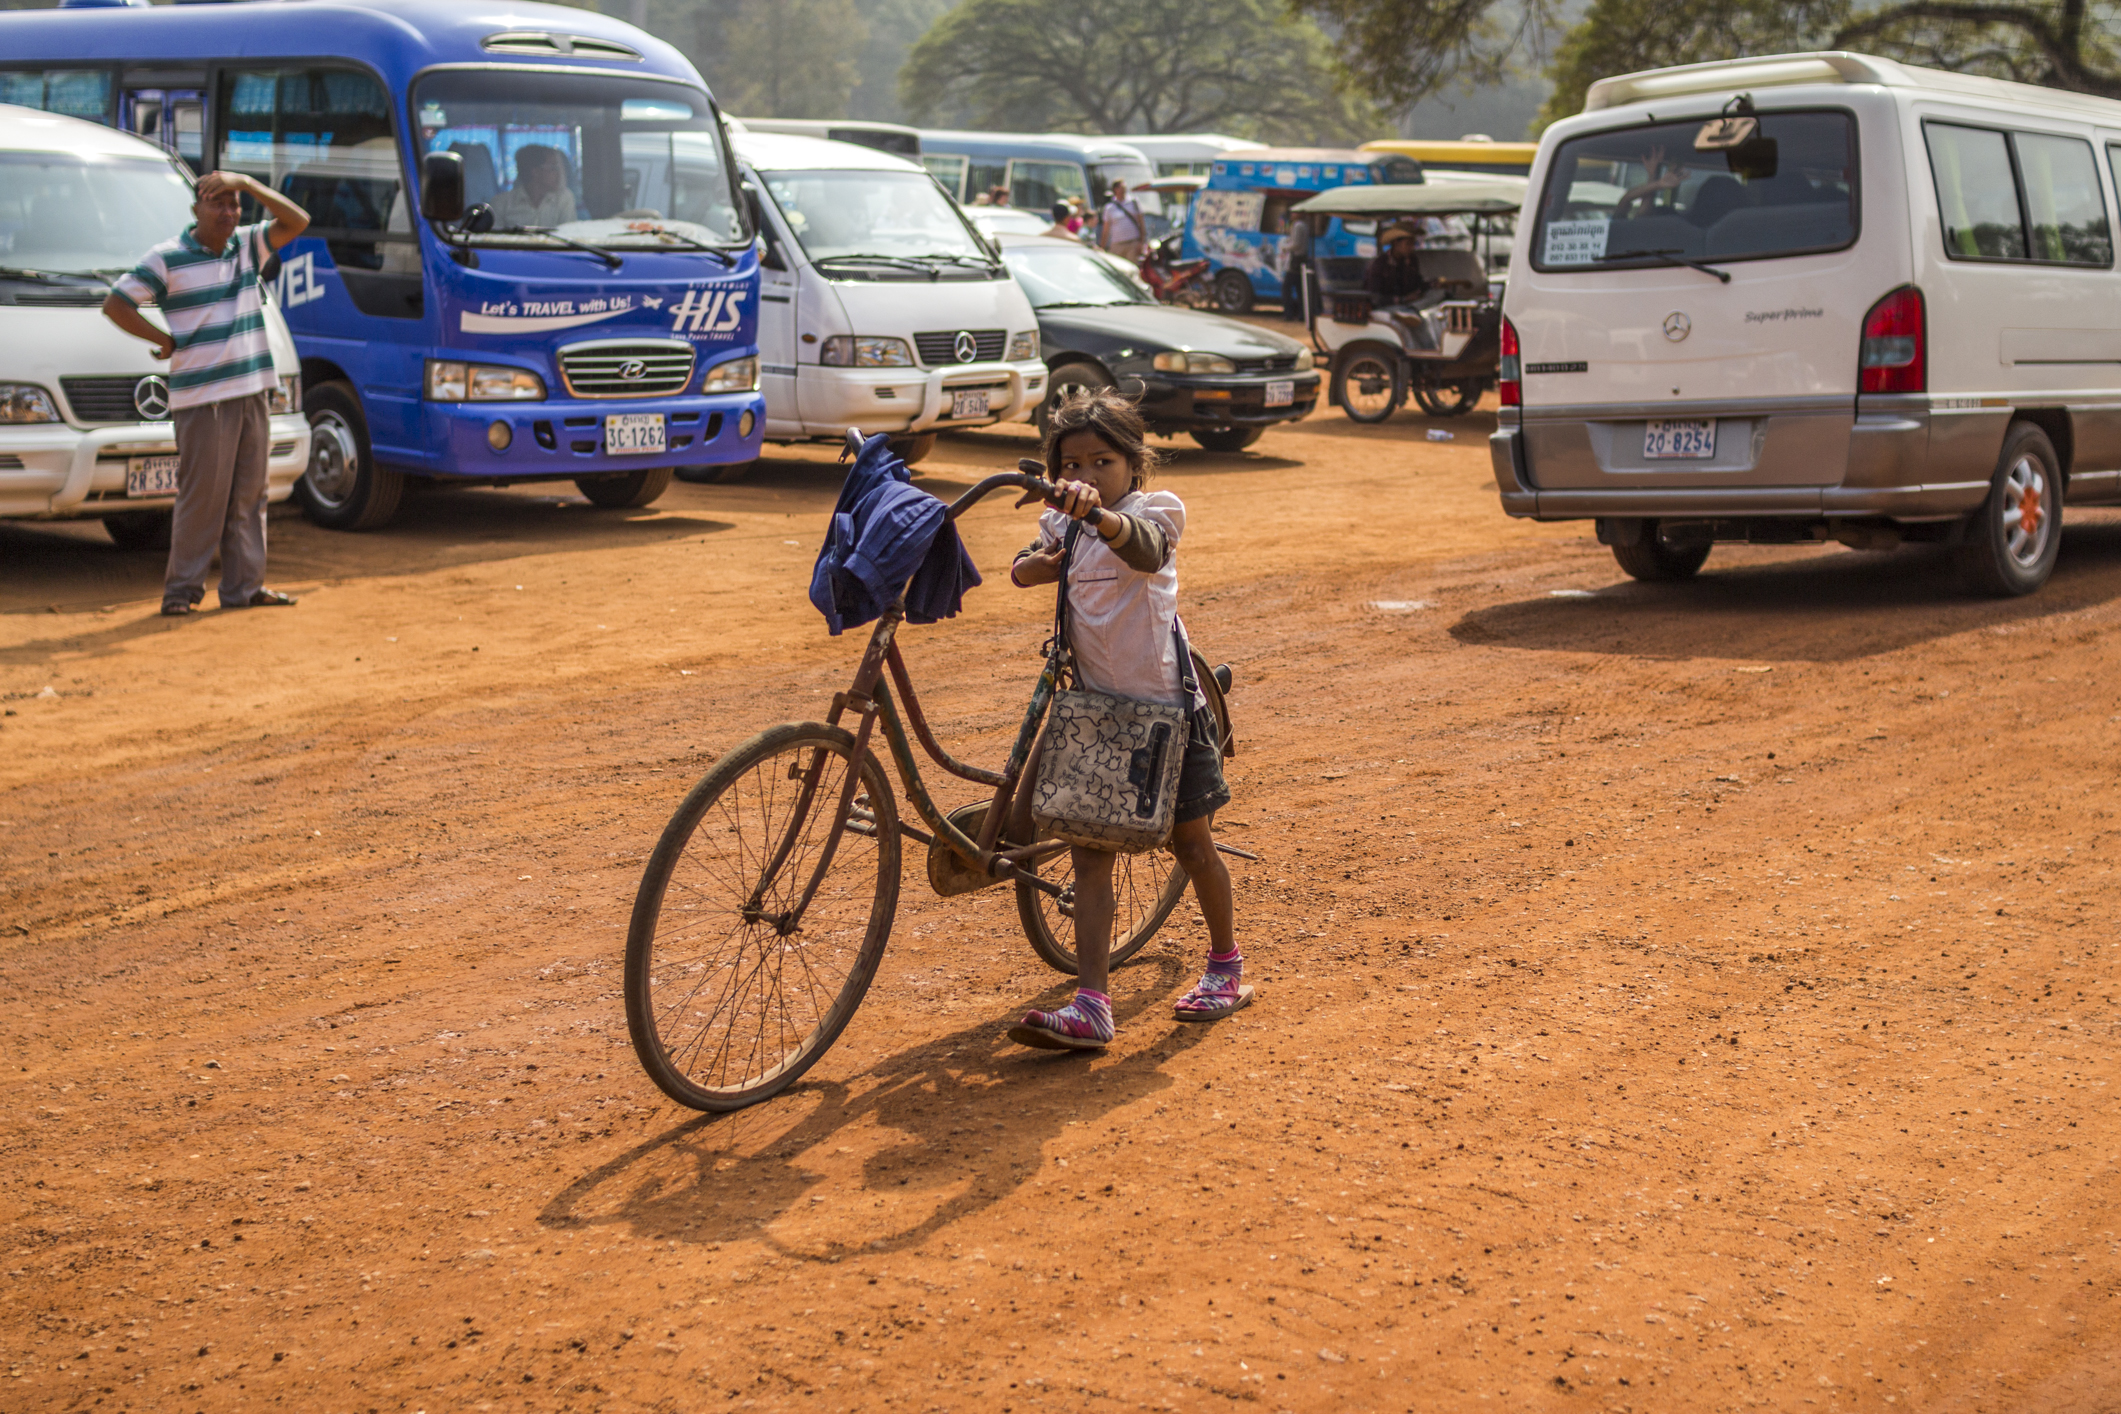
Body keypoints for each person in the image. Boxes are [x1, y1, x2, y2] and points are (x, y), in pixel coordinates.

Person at [1006, 390, 1246, 1050]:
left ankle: (1225, 966)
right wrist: (1036, 565)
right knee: (1089, 855)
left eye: (1100, 462)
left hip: (1168, 713)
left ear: (1133, 467)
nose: (1085, 476)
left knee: (1192, 846)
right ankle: (1091, 1004)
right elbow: (1023, 571)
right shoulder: (1064, 525)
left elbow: (1144, 552)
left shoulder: (1153, 512)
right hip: (1096, 715)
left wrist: (1099, 520)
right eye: (1072, 465)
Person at [102, 170, 309, 617]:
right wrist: (163, 339)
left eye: (235, 204)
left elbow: (298, 221)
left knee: (250, 496)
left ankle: (244, 588)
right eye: (219, 203)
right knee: (204, 498)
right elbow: (117, 303)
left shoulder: (248, 245)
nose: (230, 212)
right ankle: (181, 592)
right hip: (204, 397)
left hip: (253, 388)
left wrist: (250, 184)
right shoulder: (168, 258)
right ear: (196, 208)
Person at [491, 144, 578, 228]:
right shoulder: (501, 204)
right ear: (535, 172)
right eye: (553, 168)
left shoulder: (564, 199)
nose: (559, 174)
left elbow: (569, 235)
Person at [1097, 180, 1148, 263]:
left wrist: (1142, 242)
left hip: (1132, 243)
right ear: (1115, 189)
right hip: (1117, 245)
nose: (1124, 190)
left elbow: (1141, 224)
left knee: (1132, 268)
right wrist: (1102, 247)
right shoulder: (1109, 208)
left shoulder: (1133, 203)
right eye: (1121, 188)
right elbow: (1106, 230)